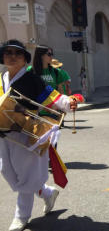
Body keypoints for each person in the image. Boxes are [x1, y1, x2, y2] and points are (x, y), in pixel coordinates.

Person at [0, 40, 78, 231]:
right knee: (7, 171)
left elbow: (52, 96)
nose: (12, 56)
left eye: (17, 53)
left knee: (25, 175)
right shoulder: (1, 79)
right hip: (3, 134)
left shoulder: (31, 79)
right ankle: (47, 193)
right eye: (8, 52)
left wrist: (68, 102)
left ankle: (21, 216)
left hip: (25, 133)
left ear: (25, 59)